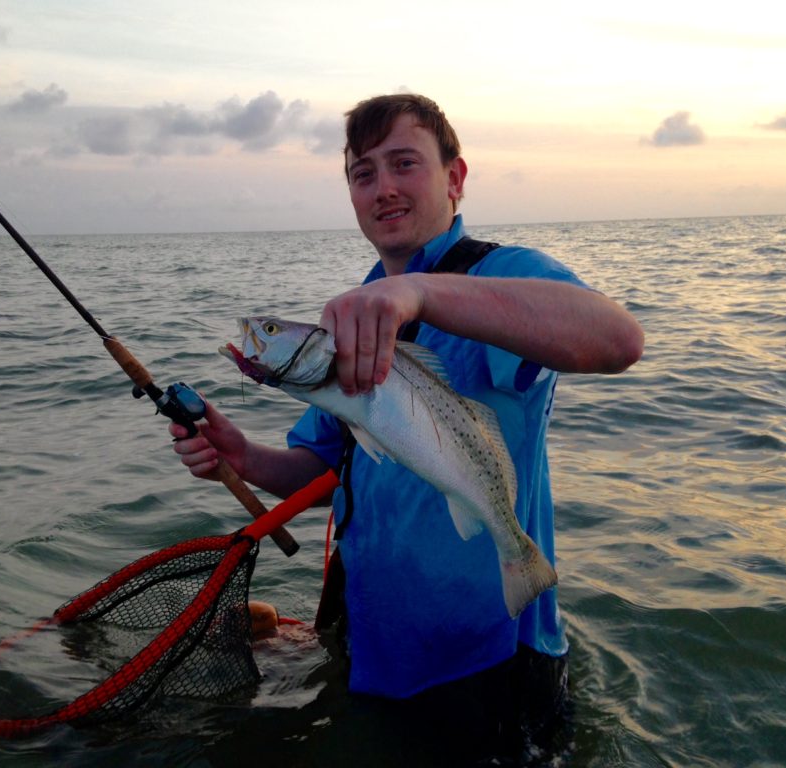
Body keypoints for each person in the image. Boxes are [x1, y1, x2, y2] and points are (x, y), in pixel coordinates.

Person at [171, 94, 643, 757]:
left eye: (404, 163)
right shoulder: (358, 317)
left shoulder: (500, 275)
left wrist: (420, 293)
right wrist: (242, 454)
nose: (383, 187)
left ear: (455, 179)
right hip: (378, 651)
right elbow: (328, 468)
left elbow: (618, 339)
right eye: (363, 173)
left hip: (487, 661)